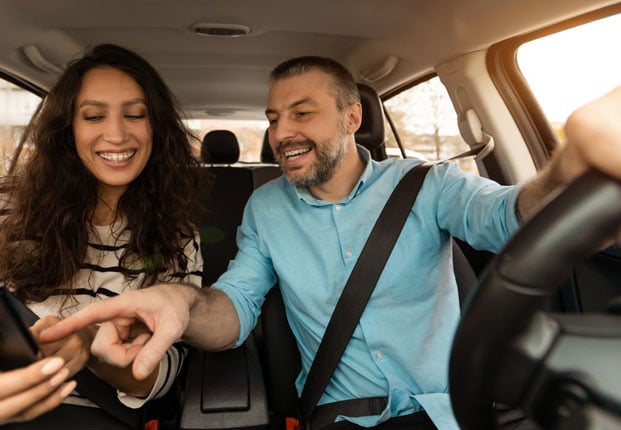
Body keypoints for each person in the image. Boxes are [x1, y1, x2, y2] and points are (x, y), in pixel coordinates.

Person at [41, 56, 621, 429]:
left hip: (462, 409)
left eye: (302, 113)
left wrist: (573, 169)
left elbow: (511, 216)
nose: (282, 133)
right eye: (273, 118)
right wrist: (181, 302)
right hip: (346, 420)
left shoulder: (427, 183)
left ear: (351, 117)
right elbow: (236, 308)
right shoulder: (265, 208)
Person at [0, 43, 209, 429]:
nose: (116, 134)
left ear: (157, 129)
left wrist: (92, 348)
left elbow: (161, 374)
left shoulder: (177, 237)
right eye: (94, 116)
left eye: (135, 115)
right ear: (67, 129)